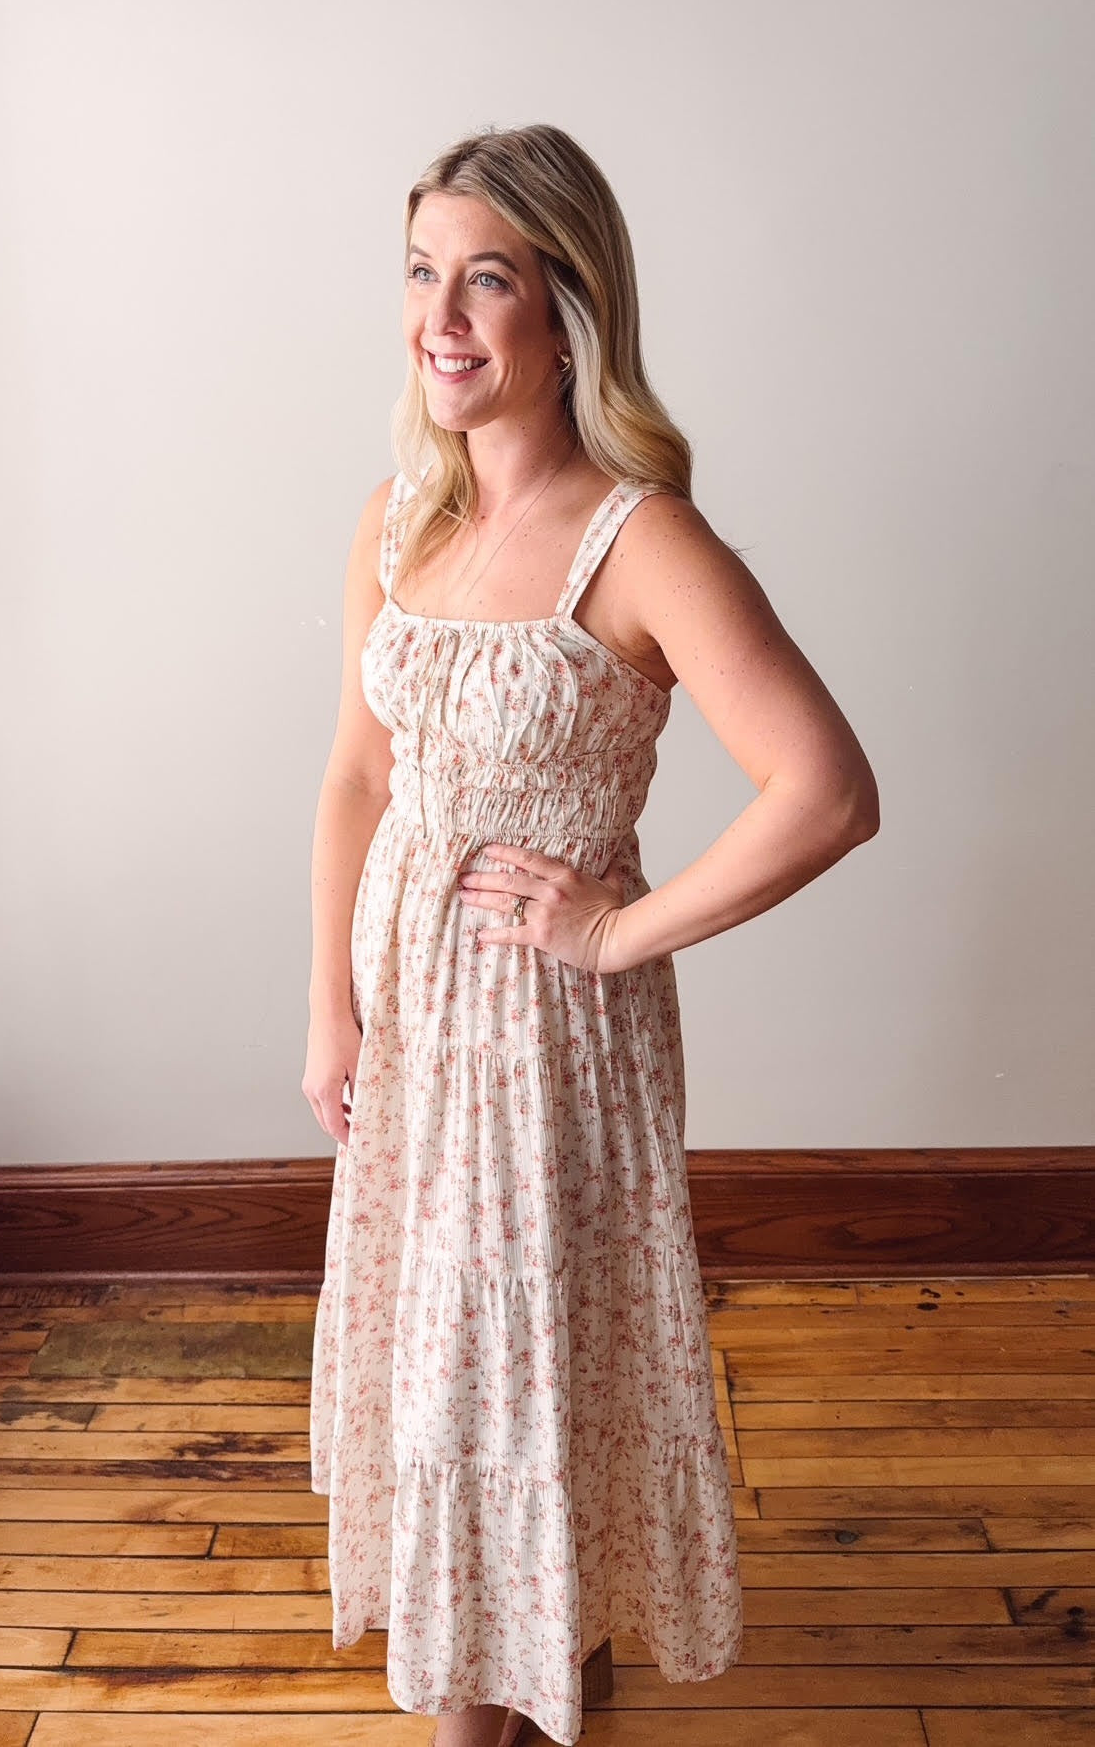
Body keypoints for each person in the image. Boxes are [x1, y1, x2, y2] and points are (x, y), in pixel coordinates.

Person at [304, 123, 879, 1747]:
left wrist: (618, 932)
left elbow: (827, 790)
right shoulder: (394, 523)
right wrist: (326, 1002)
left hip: (547, 1038)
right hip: (409, 1016)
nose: (444, 315)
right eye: (424, 273)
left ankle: (485, 1717)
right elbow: (356, 773)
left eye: (488, 279)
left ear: (570, 314)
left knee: (511, 1365)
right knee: (448, 1358)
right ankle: (557, 1650)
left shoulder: (643, 542)